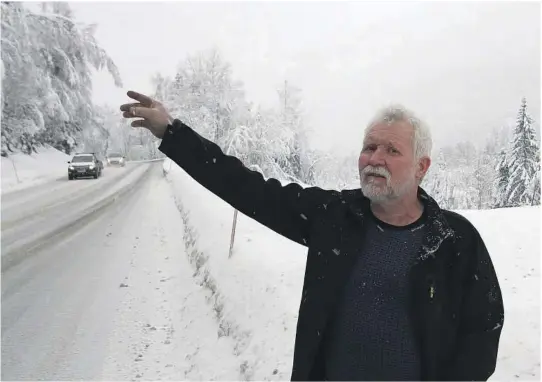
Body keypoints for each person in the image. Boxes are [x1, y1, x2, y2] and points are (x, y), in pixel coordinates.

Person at [121, 91, 504, 381]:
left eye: (391, 149)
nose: (374, 158)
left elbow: (483, 331)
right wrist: (173, 133)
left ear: (422, 167)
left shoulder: (455, 241)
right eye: (369, 147)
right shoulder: (334, 218)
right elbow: (246, 188)